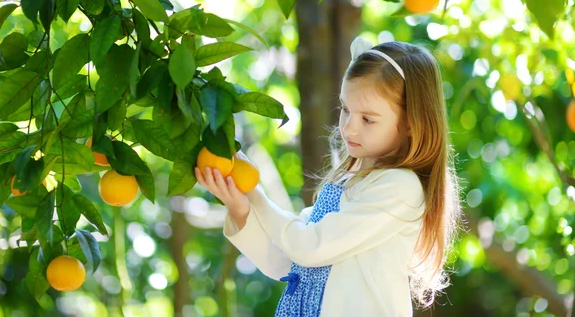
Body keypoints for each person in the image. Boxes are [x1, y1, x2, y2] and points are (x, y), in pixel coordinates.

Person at [194, 36, 465, 316]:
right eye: (345, 109)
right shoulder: (348, 182)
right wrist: (241, 208)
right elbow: (290, 264)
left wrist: (254, 193)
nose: (349, 128)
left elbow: (308, 247)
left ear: (410, 124)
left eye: (367, 119)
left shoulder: (399, 188)